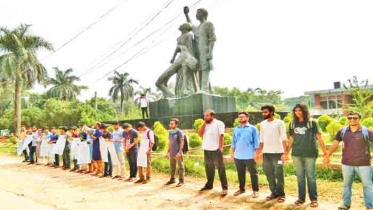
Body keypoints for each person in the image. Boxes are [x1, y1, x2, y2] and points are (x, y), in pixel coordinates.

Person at [324, 111, 373, 210]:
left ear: (359, 119)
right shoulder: (342, 131)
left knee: (367, 185)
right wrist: (327, 156)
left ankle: (369, 206)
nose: (352, 120)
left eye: (355, 118)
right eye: (350, 118)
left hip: (363, 163)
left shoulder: (366, 131)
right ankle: (346, 204)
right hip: (347, 163)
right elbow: (334, 144)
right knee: (346, 185)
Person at [285, 104, 328, 208]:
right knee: (300, 177)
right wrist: (286, 152)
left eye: (300, 110)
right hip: (296, 154)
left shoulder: (312, 122)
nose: (297, 112)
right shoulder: (292, 124)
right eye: (296, 111)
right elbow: (291, 139)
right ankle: (301, 198)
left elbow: (319, 138)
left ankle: (313, 199)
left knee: (311, 177)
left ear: (304, 111)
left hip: (310, 153)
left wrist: (326, 154)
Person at [255, 105, 287, 203]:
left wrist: (285, 153)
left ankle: (281, 194)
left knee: (279, 173)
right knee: (269, 174)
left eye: (265, 112)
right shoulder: (263, 124)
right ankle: (274, 192)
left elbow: (284, 138)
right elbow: (261, 140)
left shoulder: (279, 123)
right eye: (263, 112)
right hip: (266, 154)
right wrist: (258, 153)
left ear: (272, 112)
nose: (263, 114)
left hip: (278, 153)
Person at [184, 7, 216, 92]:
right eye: (196, 13)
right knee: (201, 71)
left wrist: (210, 52)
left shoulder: (209, 24)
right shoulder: (197, 27)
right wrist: (186, 14)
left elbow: (213, 39)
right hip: (198, 53)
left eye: (198, 12)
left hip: (206, 51)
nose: (196, 14)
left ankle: (204, 90)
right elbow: (190, 24)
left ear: (204, 14)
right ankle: (207, 90)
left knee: (205, 69)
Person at [198, 109, 228, 196]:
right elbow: (199, 134)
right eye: (204, 115)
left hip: (216, 150)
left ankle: (224, 188)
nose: (205, 117)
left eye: (207, 116)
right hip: (206, 150)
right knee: (209, 169)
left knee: (221, 169)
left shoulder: (219, 123)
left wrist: (220, 147)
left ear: (212, 116)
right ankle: (209, 185)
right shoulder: (205, 124)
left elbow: (221, 135)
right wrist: (204, 123)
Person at [231, 111, 260, 198]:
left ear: (247, 118)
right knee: (240, 173)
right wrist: (232, 153)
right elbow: (233, 143)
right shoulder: (236, 129)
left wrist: (257, 154)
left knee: (253, 173)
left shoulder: (253, 128)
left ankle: (255, 191)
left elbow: (256, 143)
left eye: (243, 117)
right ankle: (241, 189)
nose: (241, 118)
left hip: (250, 155)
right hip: (238, 156)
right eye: (239, 117)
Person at [164, 118, 185, 187]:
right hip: (172, 153)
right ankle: (172, 179)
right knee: (172, 167)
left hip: (178, 153)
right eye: (170, 123)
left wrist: (179, 152)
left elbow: (182, 143)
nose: (170, 125)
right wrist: (168, 152)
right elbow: (169, 143)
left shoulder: (179, 132)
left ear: (176, 124)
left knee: (180, 167)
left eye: (172, 123)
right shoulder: (170, 132)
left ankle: (181, 181)